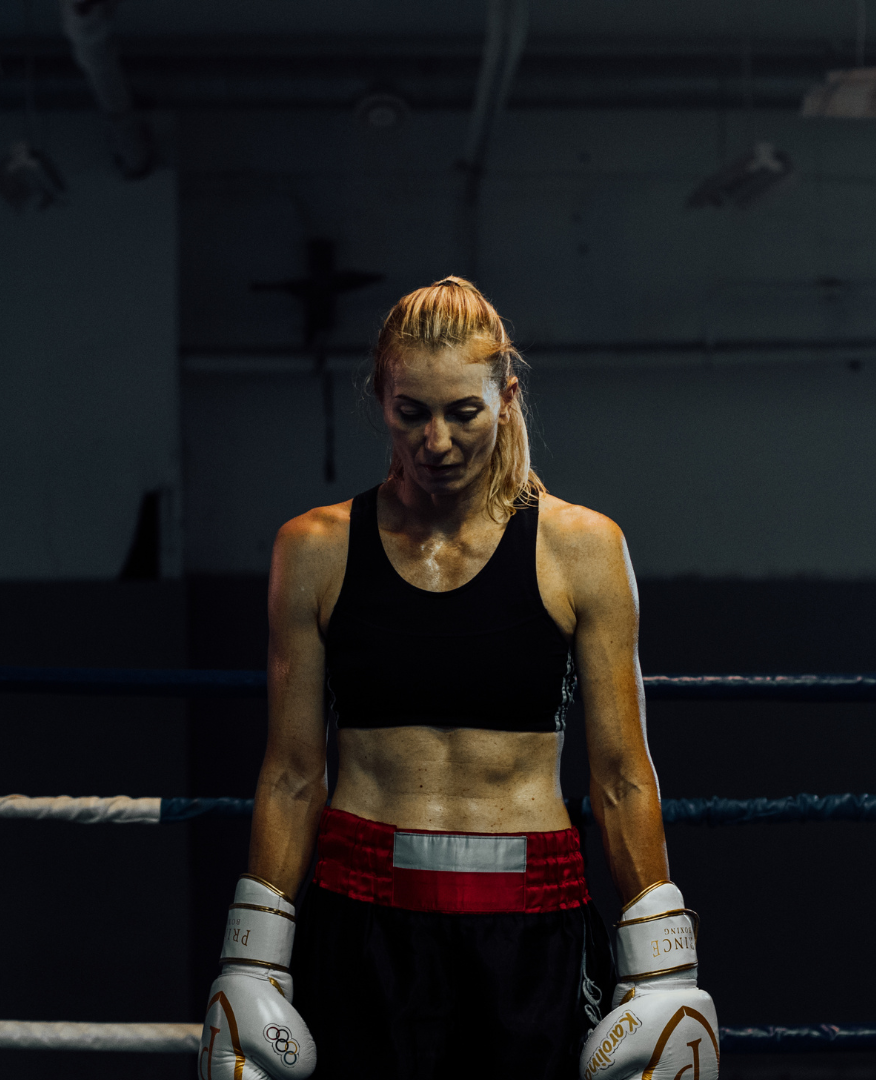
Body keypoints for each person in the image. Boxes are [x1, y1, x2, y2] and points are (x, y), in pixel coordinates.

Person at [198, 277, 718, 1080]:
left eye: (463, 412)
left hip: (531, 927)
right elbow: (294, 774)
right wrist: (254, 958)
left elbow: (619, 777)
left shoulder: (582, 548)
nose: (435, 441)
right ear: (381, 398)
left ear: (506, 399)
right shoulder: (313, 550)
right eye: (412, 413)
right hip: (361, 918)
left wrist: (663, 970)